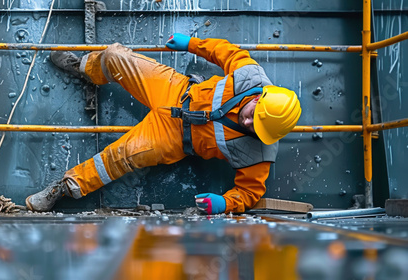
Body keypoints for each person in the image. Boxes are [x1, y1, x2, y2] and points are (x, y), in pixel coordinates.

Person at [25, 33, 301, 214]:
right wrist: (191, 43)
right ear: (261, 96)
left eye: (256, 126)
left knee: (117, 157)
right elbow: (224, 51)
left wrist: (224, 204)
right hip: (175, 90)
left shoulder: (259, 152)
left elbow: (249, 193)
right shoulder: (250, 76)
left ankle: (65, 187)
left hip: (171, 138)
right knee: (115, 56)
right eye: (254, 112)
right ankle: (85, 69)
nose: (248, 121)